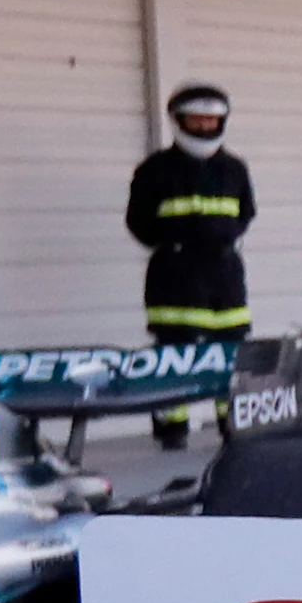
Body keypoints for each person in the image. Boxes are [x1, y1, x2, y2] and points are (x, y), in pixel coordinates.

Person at [124, 81, 256, 447]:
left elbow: (246, 214)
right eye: (196, 120)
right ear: (178, 121)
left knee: (230, 353)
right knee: (173, 356)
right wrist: (179, 241)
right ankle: (172, 433)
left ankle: (235, 428)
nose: (203, 128)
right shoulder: (154, 171)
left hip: (225, 279)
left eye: (211, 121)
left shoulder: (235, 170)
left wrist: (218, 239)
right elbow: (139, 223)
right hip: (175, 278)